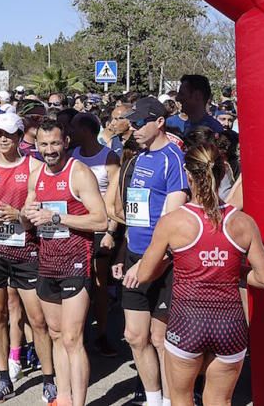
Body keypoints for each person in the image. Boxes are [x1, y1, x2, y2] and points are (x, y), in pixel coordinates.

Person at [136, 141, 264, 406]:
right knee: (220, 400)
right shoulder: (243, 222)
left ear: (188, 175)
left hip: (188, 321)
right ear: (223, 173)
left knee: (181, 398)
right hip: (229, 324)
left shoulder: (173, 221)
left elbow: (143, 275)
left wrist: (173, 258)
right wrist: (234, 270)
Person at [0, 113, 54, 404]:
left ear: (20, 137)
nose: (3, 139)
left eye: (10, 134)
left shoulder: (34, 167)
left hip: (25, 251)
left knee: (37, 319)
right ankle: (4, 377)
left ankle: (48, 378)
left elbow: (37, 214)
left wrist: (17, 215)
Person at [24, 120, 108, 406]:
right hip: (47, 262)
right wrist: (25, 214)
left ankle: (79, 402)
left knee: (73, 338)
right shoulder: (36, 176)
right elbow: (30, 216)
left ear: (66, 142)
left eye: (55, 144)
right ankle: (64, 397)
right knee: (57, 335)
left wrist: (56, 217)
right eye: (44, 145)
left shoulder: (79, 173)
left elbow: (101, 219)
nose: (50, 150)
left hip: (75, 262)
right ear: (37, 146)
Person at [115, 96, 189, 406]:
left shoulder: (173, 158)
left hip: (164, 261)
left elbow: (171, 221)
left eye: (139, 122)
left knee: (161, 339)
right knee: (134, 336)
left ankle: (173, 400)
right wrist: (123, 253)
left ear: (159, 122)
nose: (133, 128)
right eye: (131, 122)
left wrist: (148, 263)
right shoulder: (136, 158)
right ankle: (153, 398)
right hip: (134, 256)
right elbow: (133, 215)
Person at [69, 113, 121, 358]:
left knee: (100, 283)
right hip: (76, 226)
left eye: (75, 128)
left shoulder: (108, 157)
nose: (70, 132)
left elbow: (116, 197)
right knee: (79, 281)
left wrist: (111, 230)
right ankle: (79, 332)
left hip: (101, 228)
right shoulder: (72, 155)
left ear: (87, 131)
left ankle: (101, 333)